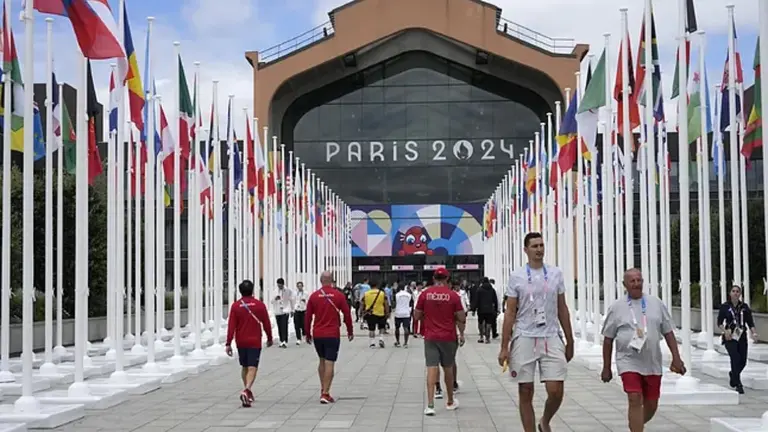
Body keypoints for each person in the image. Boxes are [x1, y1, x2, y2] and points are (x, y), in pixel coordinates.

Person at [498, 232, 574, 432]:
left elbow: (562, 308)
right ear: (526, 250)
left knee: (556, 389)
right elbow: (510, 312)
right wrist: (504, 347)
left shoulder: (555, 273)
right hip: (524, 336)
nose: (539, 249)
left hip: (550, 335)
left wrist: (570, 339)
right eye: (534, 246)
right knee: (525, 390)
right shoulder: (517, 276)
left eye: (541, 245)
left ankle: (545, 421)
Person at [600, 268, 686, 432]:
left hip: (652, 361)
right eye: (632, 281)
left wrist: (676, 358)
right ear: (625, 284)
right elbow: (608, 339)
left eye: (639, 280)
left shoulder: (656, 303)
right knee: (634, 397)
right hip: (628, 361)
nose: (636, 284)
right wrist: (606, 367)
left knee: (651, 404)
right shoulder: (617, 307)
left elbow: (668, 332)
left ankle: (635, 426)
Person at [415, 267, 466, 416]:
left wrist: (428, 318)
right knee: (448, 368)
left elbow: (417, 315)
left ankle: (430, 405)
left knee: (432, 368)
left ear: (433, 279)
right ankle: (450, 401)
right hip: (448, 337)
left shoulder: (425, 294)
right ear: (447, 279)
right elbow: (461, 317)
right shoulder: (453, 296)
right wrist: (460, 330)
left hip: (430, 336)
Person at [305, 271, 354, 404]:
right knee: (330, 362)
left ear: (321, 280)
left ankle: (323, 389)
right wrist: (350, 330)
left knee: (321, 361)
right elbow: (347, 314)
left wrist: (307, 333)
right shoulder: (338, 295)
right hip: (332, 334)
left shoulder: (314, 296)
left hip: (318, 333)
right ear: (332, 280)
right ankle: (326, 393)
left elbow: (308, 316)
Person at [225, 280, 273, 407]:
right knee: (253, 367)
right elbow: (266, 323)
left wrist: (228, 343)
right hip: (254, 340)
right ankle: (246, 390)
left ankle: (247, 390)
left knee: (245, 366)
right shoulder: (259, 305)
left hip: (240, 340)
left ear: (240, 291)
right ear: (252, 290)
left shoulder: (235, 306)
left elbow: (231, 326)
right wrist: (269, 337)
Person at [717, 284, 758, 394]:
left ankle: (733, 374)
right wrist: (725, 331)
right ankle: (738, 383)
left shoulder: (744, 307)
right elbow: (719, 322)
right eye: (733, 291)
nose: (735, 293)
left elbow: (750, 322)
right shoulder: (725, 306)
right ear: (730, 293)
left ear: (740, 294)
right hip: (730, 336)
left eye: (737, 291)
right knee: (735, 357)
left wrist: (754, 333)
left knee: (743, 361)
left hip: (742, 336)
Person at [362, 280, 389, 348]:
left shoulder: (366, 294)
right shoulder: (382, 293)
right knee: (382, 327)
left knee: (371, 329)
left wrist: (362, 312)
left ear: (370, 286)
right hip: (381, 313)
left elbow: (362, 303)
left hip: (370, 314)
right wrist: (387, 313)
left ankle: (372, 343)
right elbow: (386, 304)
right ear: (377, 285)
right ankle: (381, 339)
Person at [473, 277, 499, 344]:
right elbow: (495, 300)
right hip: (490, 309)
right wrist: (496, 309)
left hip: (481, 309)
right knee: (488, 323)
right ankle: (487, 338)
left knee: (480, 323)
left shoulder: (479, 290)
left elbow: (476, 300)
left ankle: (481, 337)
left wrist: (474, 309)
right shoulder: (492, 290)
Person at [271, 278, 294, 348]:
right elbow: (271, 301)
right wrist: (275, 298)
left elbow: (291, 300)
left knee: (284, 326)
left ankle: (285, 341)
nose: (279, 286)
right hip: (277, 311)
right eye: (278, 285)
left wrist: (292, 310)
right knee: (279, 326)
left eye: (280, 285)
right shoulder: (275, 291)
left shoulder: (288, 291)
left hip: (285, 310)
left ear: (283, 284)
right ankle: (281, 340)